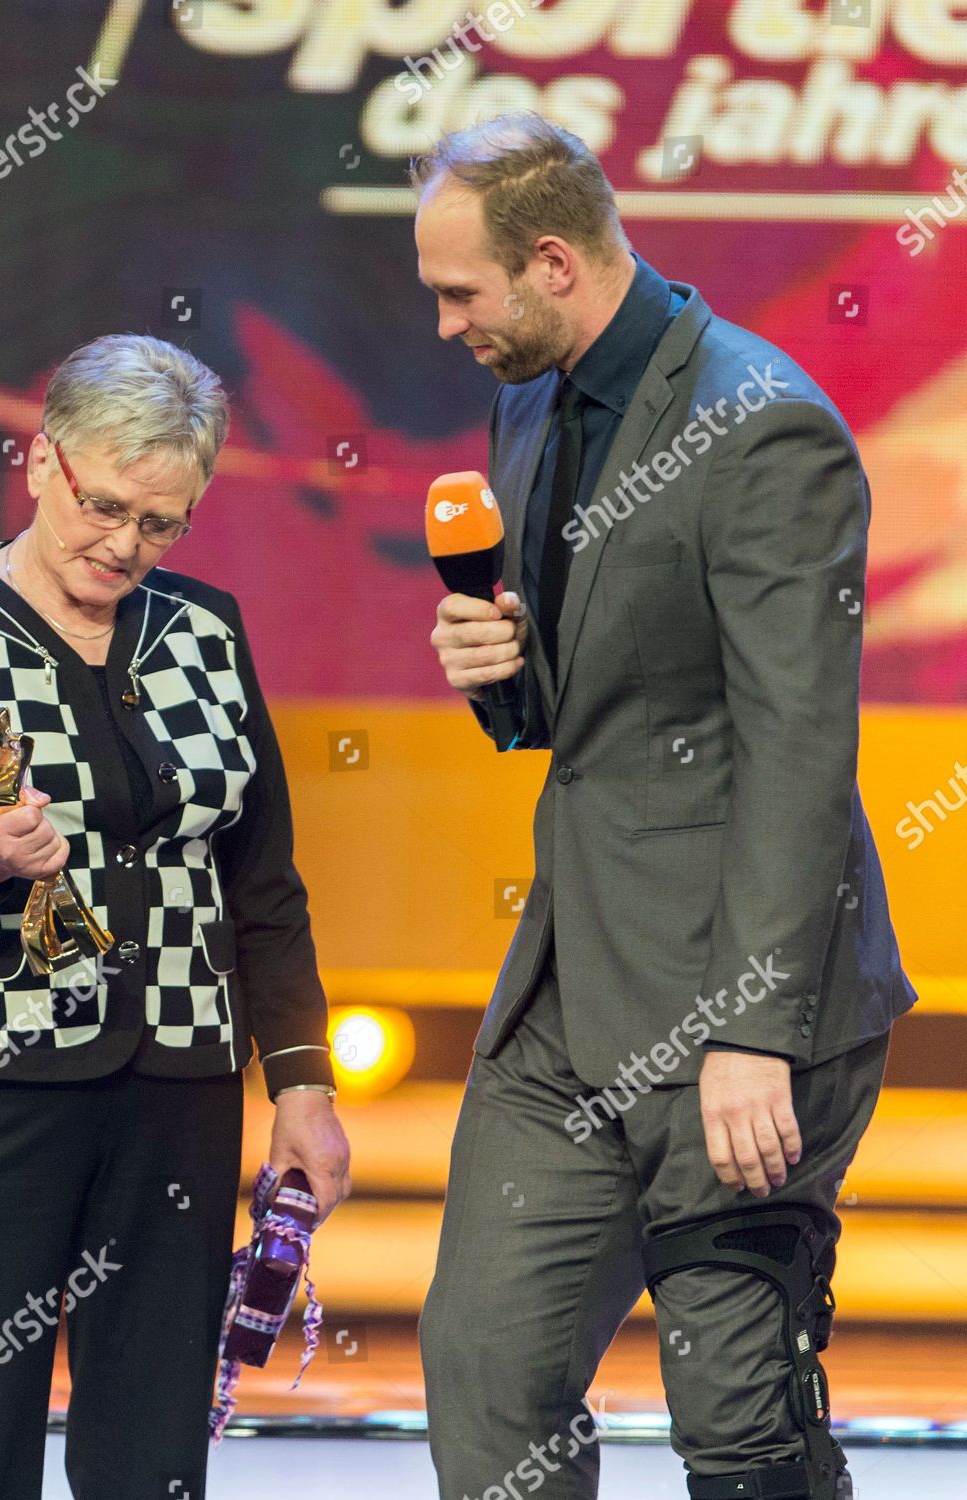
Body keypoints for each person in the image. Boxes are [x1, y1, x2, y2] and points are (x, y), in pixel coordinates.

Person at [414, 114, 914, 1500]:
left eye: (461, 293)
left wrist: (754, 1029)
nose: (446, 325)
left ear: (553, 262)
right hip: (570, 985)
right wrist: (498, 672)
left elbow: (798, 745)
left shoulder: (764, 428)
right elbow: (586, 703)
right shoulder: (530, 397)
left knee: (738, 1422)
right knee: (485, 1364)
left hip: (737, 996)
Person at [0, 333, 351, 1500]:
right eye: (104, 507)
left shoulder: (206, 630)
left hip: (177, 1089)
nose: (123, 545)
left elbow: (262, 879)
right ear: (41, 459)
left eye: (162, 524)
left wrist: (303, 1085)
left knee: (153, 1457)